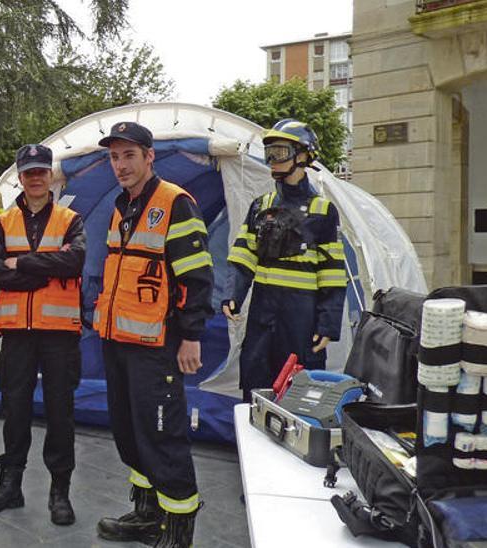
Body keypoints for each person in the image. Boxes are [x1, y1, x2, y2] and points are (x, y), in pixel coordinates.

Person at [92, 122, 212, 547]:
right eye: (114, 157)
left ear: (149, 157)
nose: (121, 165)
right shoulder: (120, 206)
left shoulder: (175, 203)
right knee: (129, 431)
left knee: (163, 436)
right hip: (118, 341)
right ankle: (147, 515)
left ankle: (178, 532)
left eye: (129, 155)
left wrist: (191, 336)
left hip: (156, 347)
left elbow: (196, 278)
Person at [0, 144, 84, 525]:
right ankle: (10, 486)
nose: (36, 178)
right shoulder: (2, 222)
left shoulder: (71, 219)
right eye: (28, 172)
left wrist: (20, 263)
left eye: (41, 171)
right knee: (14, 410)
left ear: (50, 175)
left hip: (59, 335)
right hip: (16, 333)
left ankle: (60, 492)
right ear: (19, 177)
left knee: (60, 413)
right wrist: (45, 272)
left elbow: (75, 260)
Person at [222, 118, 347, 400]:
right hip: (262, 318)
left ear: (303, 156)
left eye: (280, 152)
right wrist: (232, 294)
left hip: (300, 320)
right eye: (269, 154)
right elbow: (242, 256)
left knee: (298, 391)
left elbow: (332, 273)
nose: (272, 160)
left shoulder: (322, 211)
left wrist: (327, 325)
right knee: (254, 383)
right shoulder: (261, 206)